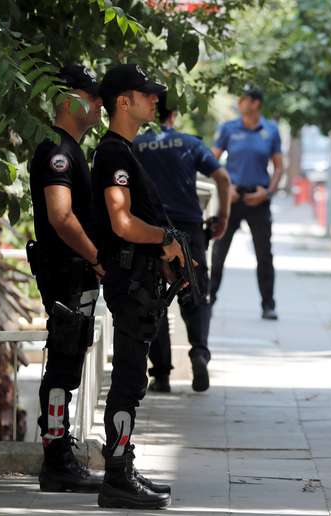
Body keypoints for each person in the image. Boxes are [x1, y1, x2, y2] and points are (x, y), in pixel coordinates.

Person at [91, 63, 184, 509]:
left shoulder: (126, 151)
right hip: (129, 285)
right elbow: (122, 223)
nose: (154, 100)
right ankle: (116, 476)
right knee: (128, 380)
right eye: (146, 94)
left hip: (139, 284)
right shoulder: (112, 154)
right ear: (123, 102)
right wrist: (164, 240)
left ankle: (123, 466)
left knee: (134, 379)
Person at [27, 64, 106, 493]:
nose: (97, 106)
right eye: (91, 97)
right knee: (61, 366)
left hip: (76, 277)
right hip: (66, 277)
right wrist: (97, 257)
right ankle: (56, 459)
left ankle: (60, 452)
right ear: (70, 98)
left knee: (68, 364)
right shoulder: (57, 150)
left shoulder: (72, 149)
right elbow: (60, 217)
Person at [133, 93, 231, 393]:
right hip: (189, 229)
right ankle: (199, 353)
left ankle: (160, 374)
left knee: (154, 300)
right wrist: (222, 217)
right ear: (173, 115)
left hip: (151, 231)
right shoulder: (191, 144)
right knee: (196, 293)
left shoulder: (135, 146)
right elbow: (223, 178)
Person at [210, 85, 283, 320]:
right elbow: (212, 161)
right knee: (219, 250)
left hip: (258, 199)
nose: (240, 102)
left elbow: (279, 166)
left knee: (264, 254)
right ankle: (209, 299)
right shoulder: (228, 129)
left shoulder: (270, 130)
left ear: (255, 103)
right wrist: (225, 187)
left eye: (244, 99)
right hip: (233, 198)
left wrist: (268, 192)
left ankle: (268, 305)